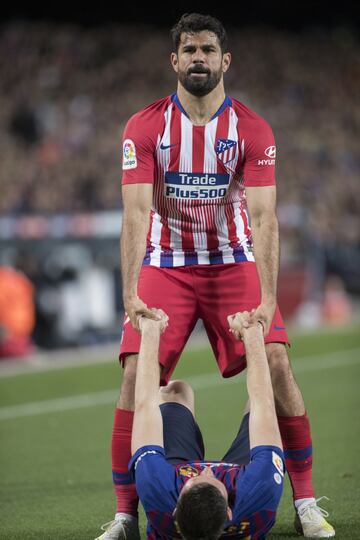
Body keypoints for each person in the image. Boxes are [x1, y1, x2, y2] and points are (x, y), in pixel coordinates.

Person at [96, 13, 334, 539]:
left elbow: (266, 215)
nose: (198, 58)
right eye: (189, 50)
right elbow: (135, 215)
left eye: (208, 49)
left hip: (232, 260)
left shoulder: (251, 129)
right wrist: (130, 292)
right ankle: (123, 516)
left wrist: (269, 297)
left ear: (225, 61)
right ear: (174, 61)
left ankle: (308, 501)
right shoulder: (144, 127)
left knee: (275, 363)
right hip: (167, 263)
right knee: (137, 374)